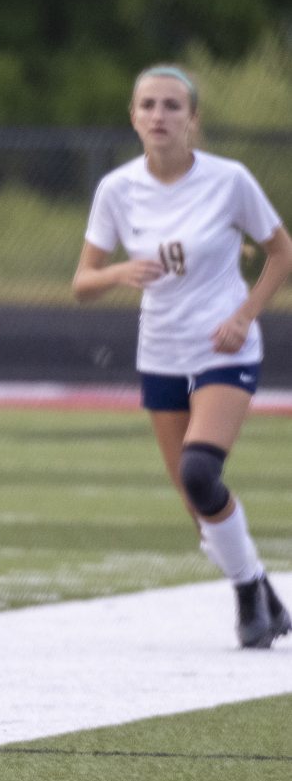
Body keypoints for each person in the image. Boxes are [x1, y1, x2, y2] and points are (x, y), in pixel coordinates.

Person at [74, 64, 292, 648]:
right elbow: (83, 282)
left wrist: (244, 315)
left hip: (224, 347)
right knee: (199, 507)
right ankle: (264, 590)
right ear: (133, 116)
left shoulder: (229, 180)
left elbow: (280, 251)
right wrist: (121, 270)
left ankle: (248, 599)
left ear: (193, 119)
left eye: (172, 106)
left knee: (201, 471)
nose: (159, 116)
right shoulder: (118, 190)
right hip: (161, 353)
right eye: (147, 105)